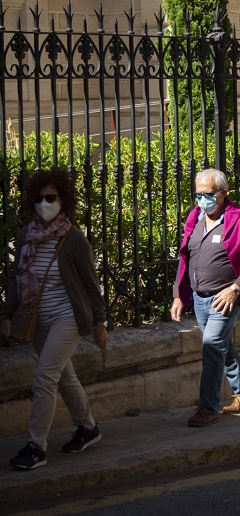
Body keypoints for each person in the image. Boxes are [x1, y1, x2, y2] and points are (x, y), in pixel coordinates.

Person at [0, 167, 107, 470]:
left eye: (51, 197)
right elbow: (15, 280)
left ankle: (36, 447)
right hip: (37, 321)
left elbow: (91, 285)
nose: (44, 203)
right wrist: (7, 314)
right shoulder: (25, 236)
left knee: (44, 377)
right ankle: (88, 428)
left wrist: (100, 323)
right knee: (63, 376)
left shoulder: (73, 239)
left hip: (67, 317)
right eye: (38, 198)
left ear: (64, 200)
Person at [170, 168, 240, 427]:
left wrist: (235, 288)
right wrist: (179, 296)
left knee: (212, 344)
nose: (202, 200)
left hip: (224, 299)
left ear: (223, 194)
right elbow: (185, 259)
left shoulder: (239, 223)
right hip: (199, 299)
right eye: (198, 194)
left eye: (208, 194)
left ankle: (208, 407)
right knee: (221, 347)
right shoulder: (194, 220)